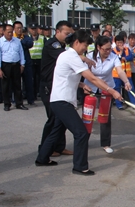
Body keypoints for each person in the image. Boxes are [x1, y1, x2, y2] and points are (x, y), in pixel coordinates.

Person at [35, 30, 124, 175]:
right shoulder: (71, 57)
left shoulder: (67, 55)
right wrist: (112, 91)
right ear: (77, 43)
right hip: (62, 101)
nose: (85, 49)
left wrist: (82, 85)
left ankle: (42, 158)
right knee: (81, 133)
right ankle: (80, 166)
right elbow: (93, 78)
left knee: (56, 130)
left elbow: (66, 77)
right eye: (84, 45)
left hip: (59, 100)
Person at [39, 20, 96, 157]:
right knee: (53, 120)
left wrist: (81, 84)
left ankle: (57, 148)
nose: (68, 36)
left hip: (60, 86)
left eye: (71, 33)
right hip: (50, 86)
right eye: (66, 33)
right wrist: (83, 58)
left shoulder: (64, 48)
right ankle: (45, 149)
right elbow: (69, 57)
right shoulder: (53, 45)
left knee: (60, 123)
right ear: (57, 32)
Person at [84, 36, 131, 153]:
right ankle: (83, 140)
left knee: (105, 116)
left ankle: (105, 143)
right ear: (98, 47)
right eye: (105, 49)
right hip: (91, 88)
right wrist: (97, 82)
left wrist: (126, 81)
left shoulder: (113, 56)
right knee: (87, 116)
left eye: (110, 48)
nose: (108, 51)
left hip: (107, 89)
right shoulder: (90, 57)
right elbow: (87, 72)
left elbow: (119, 70)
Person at [0, 24, 27, 111]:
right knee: (5, 86)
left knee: (17, 85)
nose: (10, 34)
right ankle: (7, 104)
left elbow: (21, 53)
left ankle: (19, 103)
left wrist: (22, 64)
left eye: (11, 32)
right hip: (5, 65)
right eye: (8, 32)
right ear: (3, 31)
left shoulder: (17, 41)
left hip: (16, 65)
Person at [13, 21, 35, 105]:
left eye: (20, 28)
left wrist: (21, 42)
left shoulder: (26, 37)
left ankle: (31, 100)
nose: (19, 30)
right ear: (14, 29)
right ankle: (17, 100)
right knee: (16, 83)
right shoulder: (12, 38)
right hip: (16, 63)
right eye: (17, 28)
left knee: (29, 82)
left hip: (27, 62)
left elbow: (30, 43)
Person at [111, 33, 134, 110]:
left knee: (130, 89)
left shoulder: (127, 49)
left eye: (121, 42)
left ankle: (134, 104)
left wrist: (125, 57)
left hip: (127, 74)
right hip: (116, 75)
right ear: (115, 43)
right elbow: (116, 58)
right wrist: (120, 53)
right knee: (117, 89)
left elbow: (131, 57)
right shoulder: (113, 51)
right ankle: (119, 104)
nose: (120, 44)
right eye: (118, 42)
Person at [28, 23, 45, 99]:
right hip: (30, 61)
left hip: (40, 61)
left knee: (40, 78)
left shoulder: (42, 38)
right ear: (29, 30)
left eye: (35, 29)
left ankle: (40, 93)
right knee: (31, 78)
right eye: (32, 29)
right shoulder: (27, 38)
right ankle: (32, 94)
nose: (34, 31)